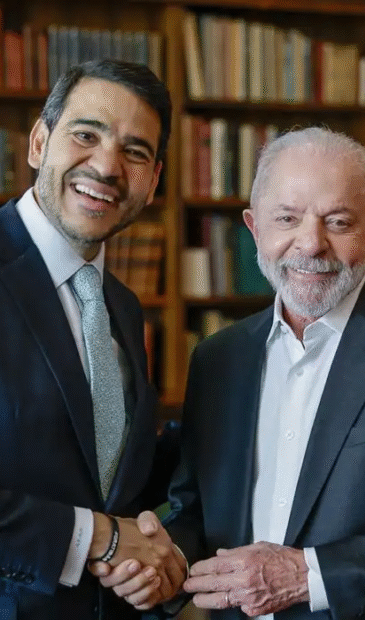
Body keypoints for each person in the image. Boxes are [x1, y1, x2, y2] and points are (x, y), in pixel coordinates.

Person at [98, 126, 365, 619]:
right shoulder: (218, 359)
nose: (311, 244)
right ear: (254, 228)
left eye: (339, 222)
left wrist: (309, 577)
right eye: (287, 218)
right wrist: (165, 565)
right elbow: (196, 511)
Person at [0, 59, 187, 620]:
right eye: (86, 135)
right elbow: (103, 527)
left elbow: (110, 477)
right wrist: (96, 537)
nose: (107, 166)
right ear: (39, 142)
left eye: (135, 152)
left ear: (153, 181)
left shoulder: (121, 307)